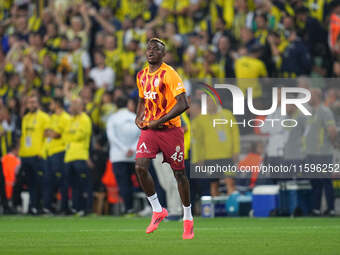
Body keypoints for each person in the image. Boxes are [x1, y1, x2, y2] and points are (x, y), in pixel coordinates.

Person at [134, 38, 193, 239]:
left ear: (163, 54)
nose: (151, 51)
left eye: (156, 48)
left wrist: (160, 120)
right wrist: (138, 116)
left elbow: (184, 103)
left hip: (171, 130)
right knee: (140, 167)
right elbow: (143, 100)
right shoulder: (141, 75)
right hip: (150, 129)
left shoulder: (169, 74)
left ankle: (188, 217)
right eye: (148, 48)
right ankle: (158, 209)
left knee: (179, 175)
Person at [304, 88, 337, 216]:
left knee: (325, 181)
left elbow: (332, 130)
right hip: (311, 153)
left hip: (322, 152)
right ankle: (316, 209)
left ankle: (331, 209)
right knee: (315, 182)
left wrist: (329, 144)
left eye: (310, 95)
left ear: (317, 96)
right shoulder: (310, 112)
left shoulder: (325, 111)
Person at [106, 96, 140, 215]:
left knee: (124, 184)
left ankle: (128, 209)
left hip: (118, 156)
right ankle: (152, 207)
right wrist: (132, 148)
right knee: (142, 182)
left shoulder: (113, 118)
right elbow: (142, 135)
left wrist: (124, 149)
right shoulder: (134, 117)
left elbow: (111, 137)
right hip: (134, 156)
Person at [19, 94, 49, 214]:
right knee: (29, 183)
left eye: (34, 102)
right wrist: (21, 152)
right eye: (30, 102)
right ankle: (32, 207)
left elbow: (47, 137)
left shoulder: (44, 117)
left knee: (40, 182)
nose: (32, 105)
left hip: (38, 155)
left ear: (38, 103)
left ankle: (41, 206)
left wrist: (42, 151)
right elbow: (24, 136)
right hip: (26, 155)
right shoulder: (25, 118)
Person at [64, 98, 92, 216]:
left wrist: (70, 136)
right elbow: (65, 136)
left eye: (74, 104)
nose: (71, 106)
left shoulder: (85, 119)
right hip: (69, 156)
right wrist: (71, 136)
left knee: (83, 184)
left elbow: (79, 136)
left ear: (81, 106)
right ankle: (76, 208)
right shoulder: (70, 119)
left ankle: (86, 209)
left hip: (80, 155)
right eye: (72, 103)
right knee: (73, 185)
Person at [43, 97, 71, 214]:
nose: (50, 105)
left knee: (62, 181)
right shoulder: (52, 117)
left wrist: (52, 133)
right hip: (50, 153)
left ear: (58, 104)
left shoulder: (65, 118)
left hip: (60, 153)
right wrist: (51, 133)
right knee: (49, 181)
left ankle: (63, 207)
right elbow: (45, 133)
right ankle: (49, 206)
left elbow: (56, 134)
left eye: (52, 103)